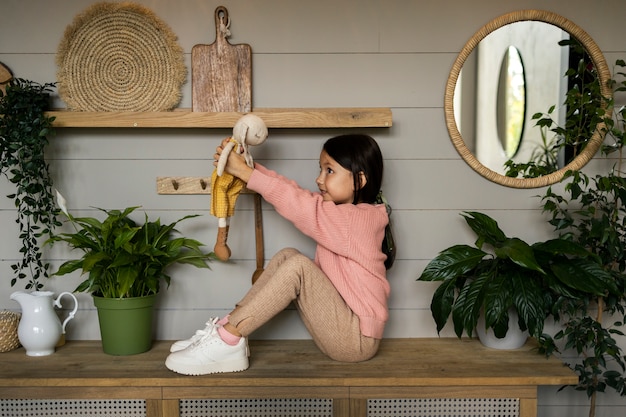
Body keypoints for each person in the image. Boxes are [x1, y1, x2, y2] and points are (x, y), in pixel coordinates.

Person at [165, 134, 394, 376]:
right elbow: (296, 193)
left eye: (329, 171)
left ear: (360, 179)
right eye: (321, 169)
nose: (319, 179)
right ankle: (225, 330)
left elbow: (300, 205)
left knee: (298, 266)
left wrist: (246, 174)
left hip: (355, 341)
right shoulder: (345, 213)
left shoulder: (359, 221)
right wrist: (248, 166)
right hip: (343, 329)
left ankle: (229, 337)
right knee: (288, 255)